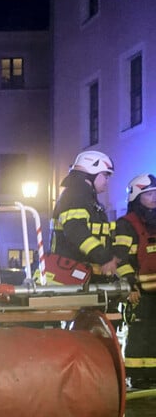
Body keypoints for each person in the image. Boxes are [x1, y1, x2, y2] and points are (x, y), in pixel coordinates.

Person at [44, 150, 119, 285]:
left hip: (78, 273)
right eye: (105, 175)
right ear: (91, 173)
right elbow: (76, 231)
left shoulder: (83, 197)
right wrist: (104, 257)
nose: (107, 181)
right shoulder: (76, 195)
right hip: (70, 274)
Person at [113, 173, 156, 389]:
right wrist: (130, 285)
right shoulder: (126, 224)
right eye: (149, 193)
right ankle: (138, 376)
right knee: (141, 334)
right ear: (137, 197)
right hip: (140, 291)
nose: (154, 197)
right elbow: (120, 258)